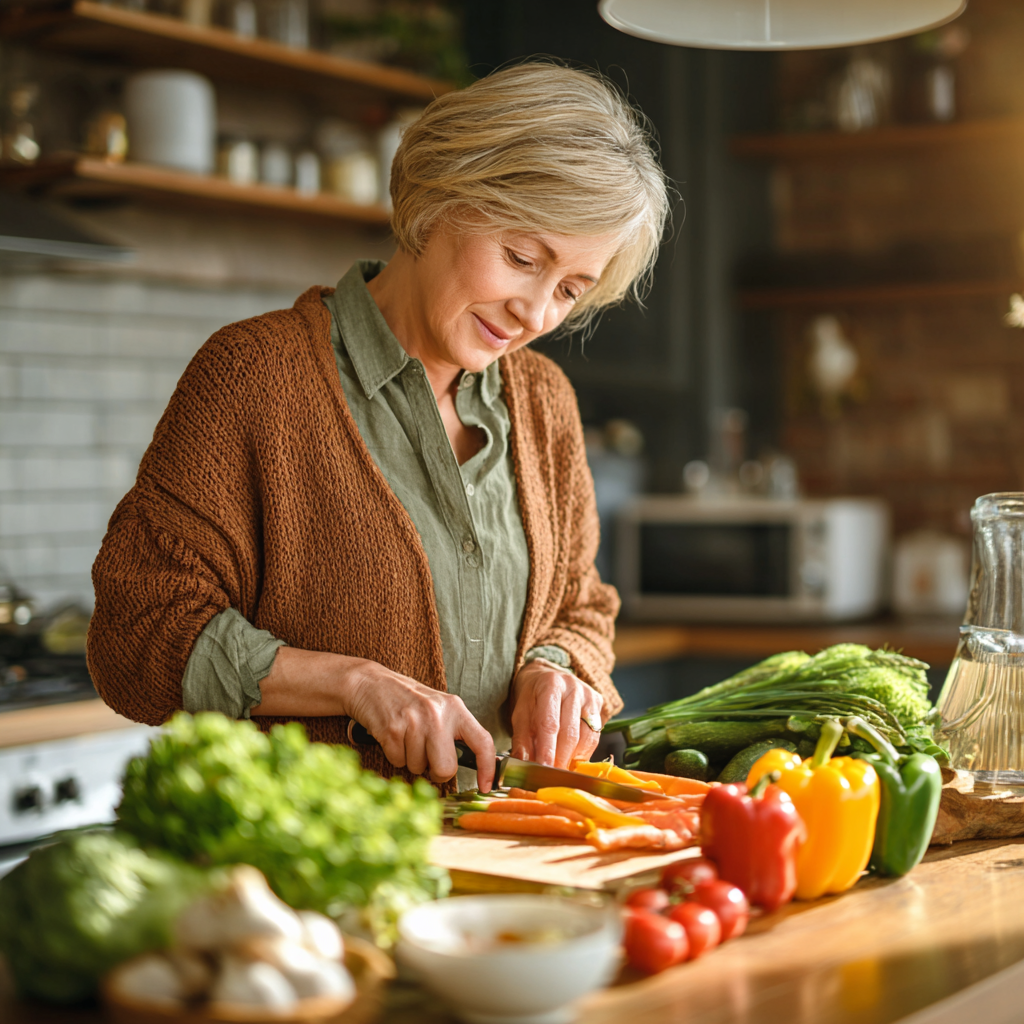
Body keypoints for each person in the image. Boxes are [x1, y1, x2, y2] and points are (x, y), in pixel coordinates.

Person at [87, 62, 670, 793]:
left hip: (499, 867)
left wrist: (558, 667)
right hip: (306, 872)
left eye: (569, 290)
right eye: (522, 259)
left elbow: (581, 606)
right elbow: (137, 633)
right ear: (440, 197)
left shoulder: (545, 400)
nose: (536, 313)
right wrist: (354, 684)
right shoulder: (253, 377)